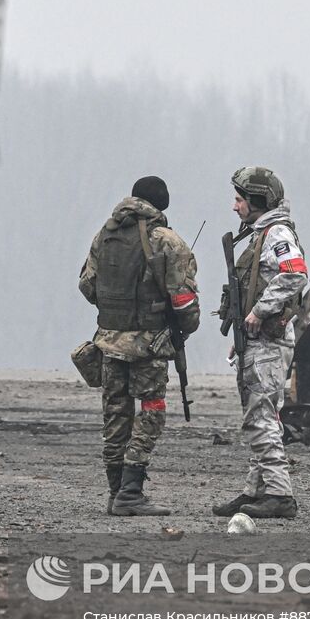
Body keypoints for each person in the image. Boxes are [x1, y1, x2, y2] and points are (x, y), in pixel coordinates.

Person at [78, 176, 199, 516]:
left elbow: (87, 286)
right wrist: (183, 331)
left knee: (115, 414)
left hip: (108, 342)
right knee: (152, 411)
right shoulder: (167, 241)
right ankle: (131, 491)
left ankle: (116, 492)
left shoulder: (105, 235)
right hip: (148, 345)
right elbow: (185, 300)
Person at [213, 166, 307, 520]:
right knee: (260, 415)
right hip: (258, 342)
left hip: (268, 341)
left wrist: (259, 312)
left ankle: (280, 494)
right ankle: (257, 490)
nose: (235, 206)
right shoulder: (261, 233)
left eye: (239, 199)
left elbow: (295, 273)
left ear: (256, 200)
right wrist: (240, 334)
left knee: (261, 417)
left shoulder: (276, 233)